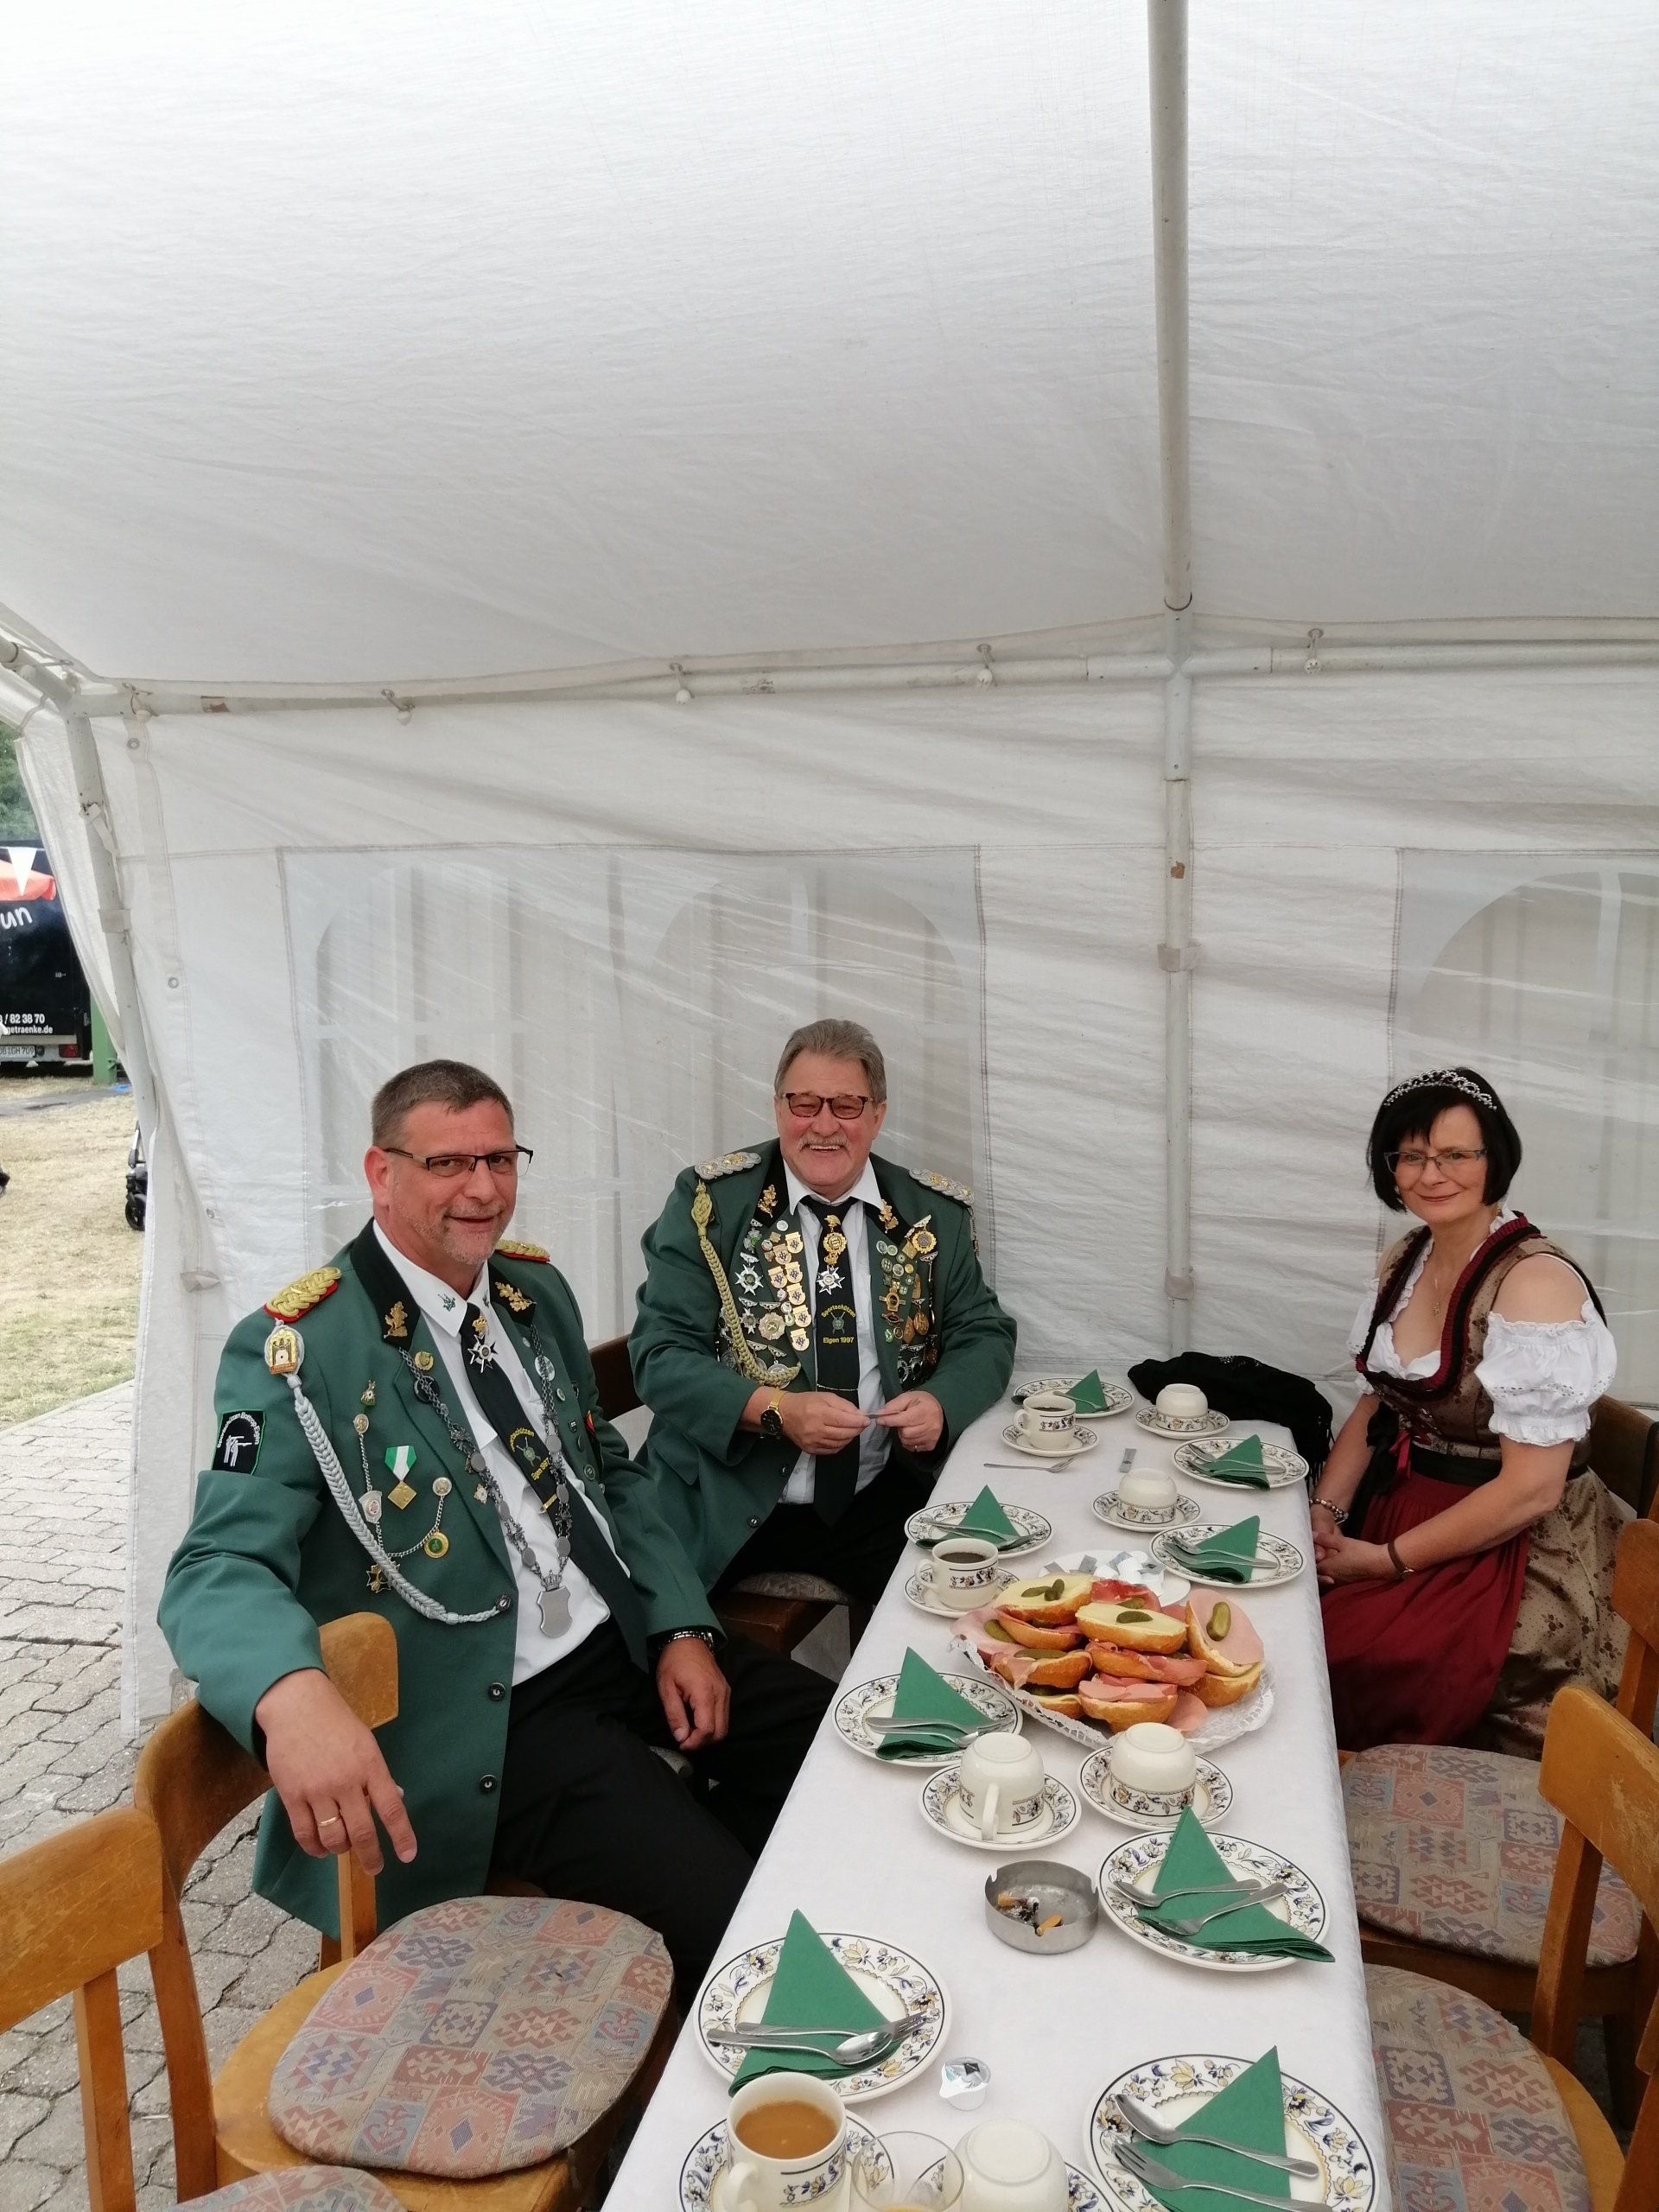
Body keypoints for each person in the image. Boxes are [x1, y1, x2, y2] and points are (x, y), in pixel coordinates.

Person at [159, 1058, 831, 1990]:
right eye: (447, 1163)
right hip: (498, 1710)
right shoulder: (301, 1351)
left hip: (620, 1640)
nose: (482, 1189)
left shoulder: (529, 1293)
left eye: (499, 1159)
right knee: (732, 1924)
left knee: (846, 1757)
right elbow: (214, 1565)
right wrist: (292, 1694)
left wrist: (680, 1623)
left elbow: (607, 1472)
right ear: (381, 1173)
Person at [631, 1018, 1016, 1604]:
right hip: (717, 1498)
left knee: (962, 1614)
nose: (824, 1125)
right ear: (778, 1108)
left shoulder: (930, 1213)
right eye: (805, 1104)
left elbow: (983, 1332)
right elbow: (659, 1357)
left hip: (873, 1498)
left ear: (878, 1115)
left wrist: (941, 1403)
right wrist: (777, 1411)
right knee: (663, 1643)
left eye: (846, 1105)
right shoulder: (710, 1205)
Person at [1315, 1065, 1629, 1756]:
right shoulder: (1406, 1258)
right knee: (1283, 1609)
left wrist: (1385, 1561)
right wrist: (1326, 1514)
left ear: (1495, 1160)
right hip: (1405, 1510)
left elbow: (1531, 1491)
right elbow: (1378, 1405)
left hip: (1512, 1548)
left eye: (1456, 1154)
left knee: (1335, 1654)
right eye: (1412, 1155)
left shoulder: (1534, 1284)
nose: (1433, 1174)